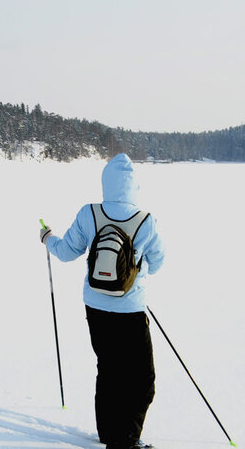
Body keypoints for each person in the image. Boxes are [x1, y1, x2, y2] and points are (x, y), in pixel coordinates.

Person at [41, 153, 166, 449]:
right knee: (141, 377)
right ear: (134, 186)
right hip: (130, 310)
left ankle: (110, 434)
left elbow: (67, 252)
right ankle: (128, 438)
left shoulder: (89, 213)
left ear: (106, 183)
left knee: (108, 369)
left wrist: (48, 238)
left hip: (95, 307)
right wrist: (139, 267)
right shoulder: (146, 221)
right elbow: (158, 263)